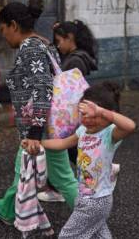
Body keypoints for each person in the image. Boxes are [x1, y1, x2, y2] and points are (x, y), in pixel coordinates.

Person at [0, 2, 77, 225]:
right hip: (40, 126)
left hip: (42, 129)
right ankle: (7, 209)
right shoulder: (43, 44)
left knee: (64, 178)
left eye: (3, 29)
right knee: (22, 169)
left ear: (13, 25)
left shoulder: (31, 48)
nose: (3, 35)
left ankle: (91, 217)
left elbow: (43, 89)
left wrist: (35, 132)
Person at [33, 83, 136, 238]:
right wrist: (38, 143)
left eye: (95, 116)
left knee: (67, 235)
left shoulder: (110, 135)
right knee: (99, 233)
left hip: (97, 200)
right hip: (85, 196)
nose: (88, 119)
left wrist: (102, 111)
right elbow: (62, 143)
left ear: (108, 115)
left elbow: (130, 126)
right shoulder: (83, 131)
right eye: (84, 114)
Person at [37, 20, 101, 202]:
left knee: (69, 149)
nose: (58, 45)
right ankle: (59, 185)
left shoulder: (75, 60)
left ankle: (59, 188)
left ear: (70, 38)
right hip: (74, 113)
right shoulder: (78, 56)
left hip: (69, 114)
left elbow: (67, 91)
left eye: (59, 41)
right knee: (73, 150)